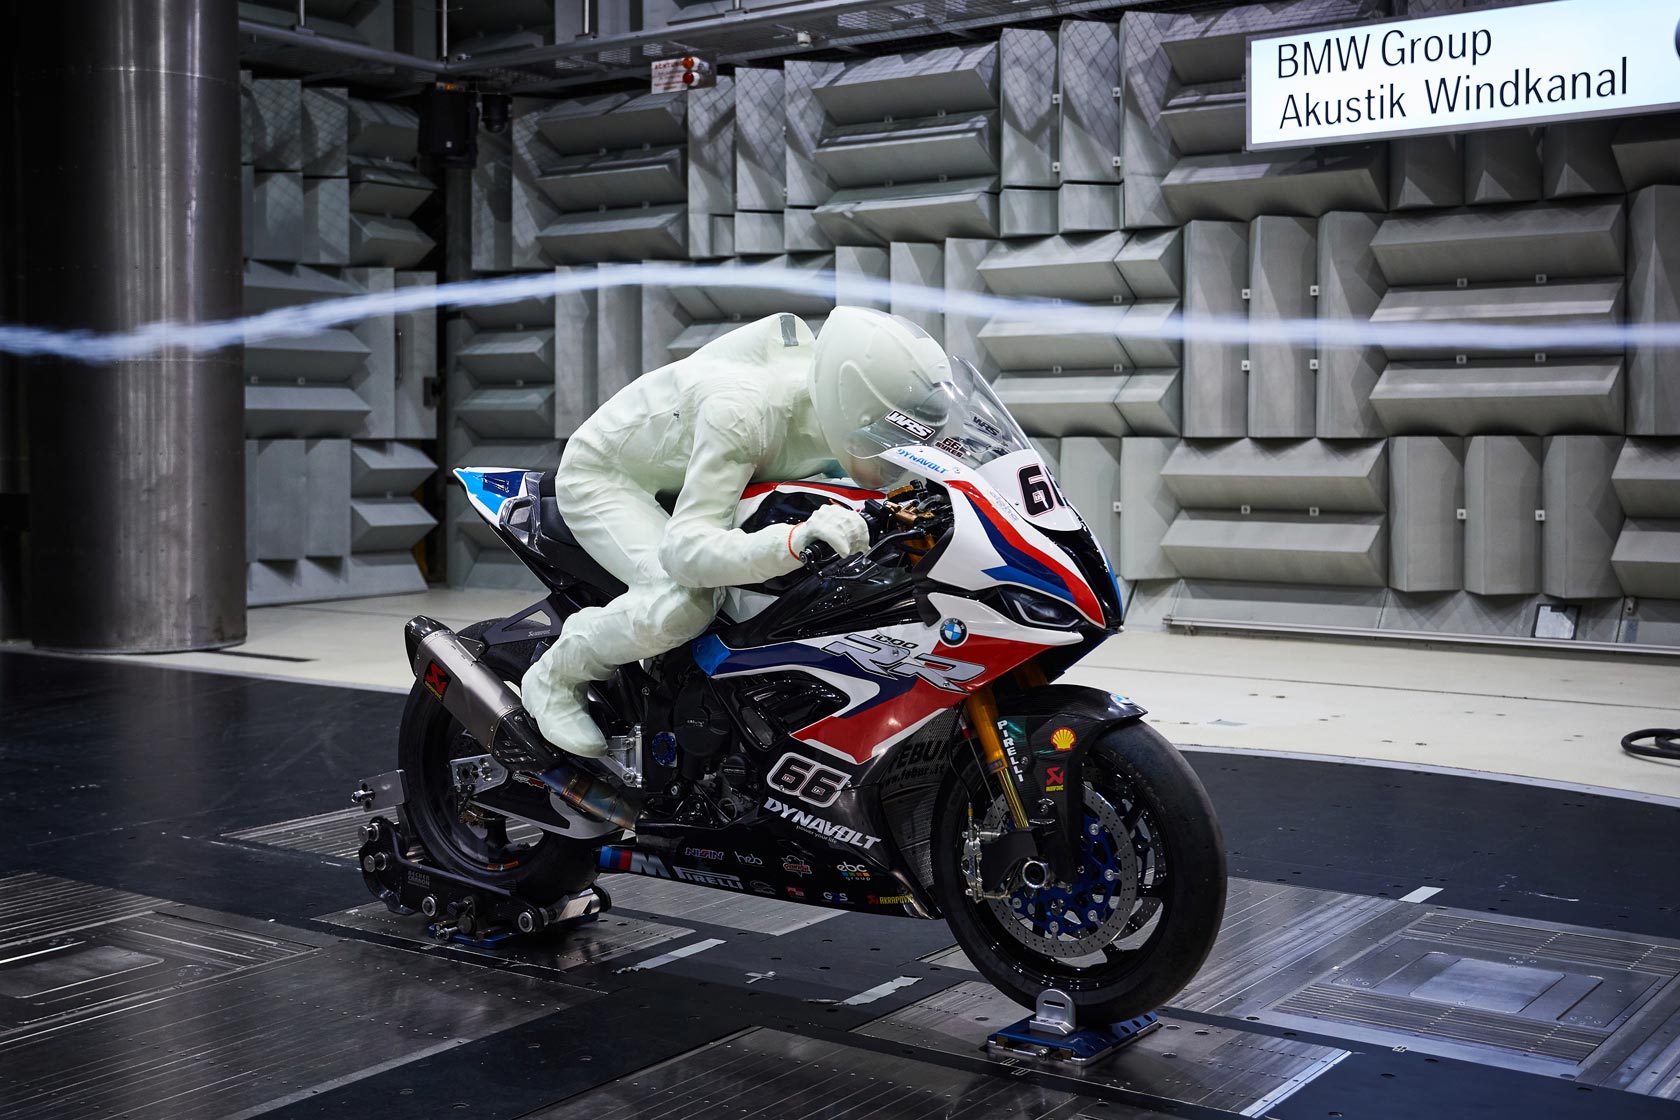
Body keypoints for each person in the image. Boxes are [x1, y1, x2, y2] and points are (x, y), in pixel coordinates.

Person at [520, 305, 959, 757]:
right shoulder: (741, 414)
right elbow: (685, 553)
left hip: (696, 470)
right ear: (854, 404)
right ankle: (555, 676)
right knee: (683, 602)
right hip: (607, 476)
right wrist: (795, 540)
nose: (897, 448)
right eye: (892, 433)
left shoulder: (829, 415)